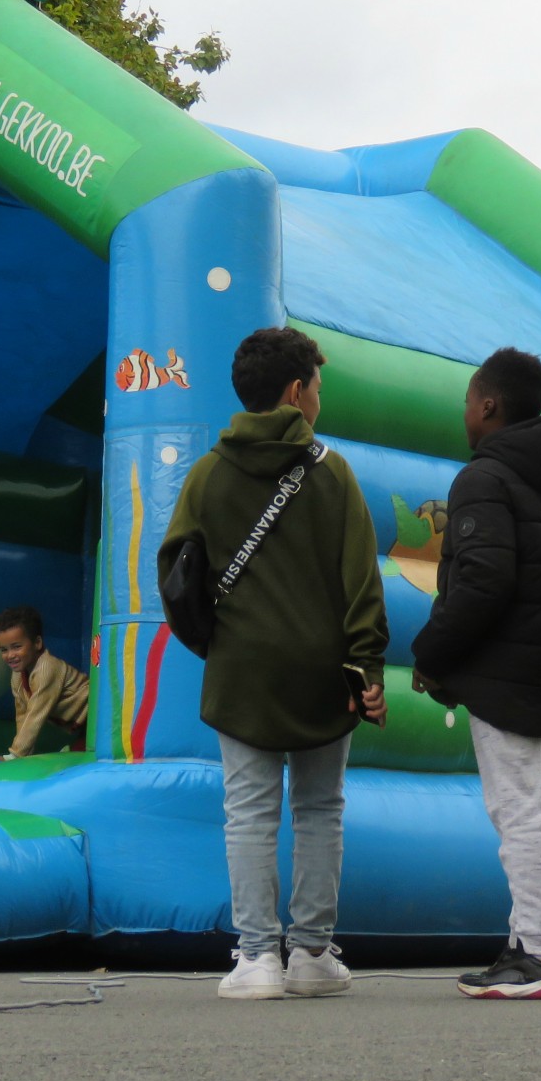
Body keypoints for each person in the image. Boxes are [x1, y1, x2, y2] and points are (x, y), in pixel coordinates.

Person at [158, 326, 388, 1000]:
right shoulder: (332, 472)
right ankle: (313, 954)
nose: (319, 398)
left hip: (242, 669)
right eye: (317, 386)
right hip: (322, 669)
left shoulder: (206, 473)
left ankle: (257, 957)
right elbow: (360, 583)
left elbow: (176, 570)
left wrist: (215, 642)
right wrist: (365, 668)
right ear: (295, 392)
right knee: (320, 809)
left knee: (250, 812)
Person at [410, 347, 541, 1000]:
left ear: (488, 405)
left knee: (514, 815)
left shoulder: (483, 478)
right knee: (532, 814)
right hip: (540, 672)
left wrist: (432, 653)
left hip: (502, 675)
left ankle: (538, 953)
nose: (464, 412)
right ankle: (523, 942)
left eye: (467, 401)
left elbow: (482, 580)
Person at [0, 605, 89, 760]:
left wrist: (14, 755)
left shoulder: (47, 669)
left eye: (16, 647)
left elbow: (35, 713)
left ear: (37, 643)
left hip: (93, 714)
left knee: (86, 754)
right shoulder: (17, 675)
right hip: (80, 726)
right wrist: (20, 755)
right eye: (4, 650)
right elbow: (22, 714)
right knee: (78, 750)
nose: (10, 655)